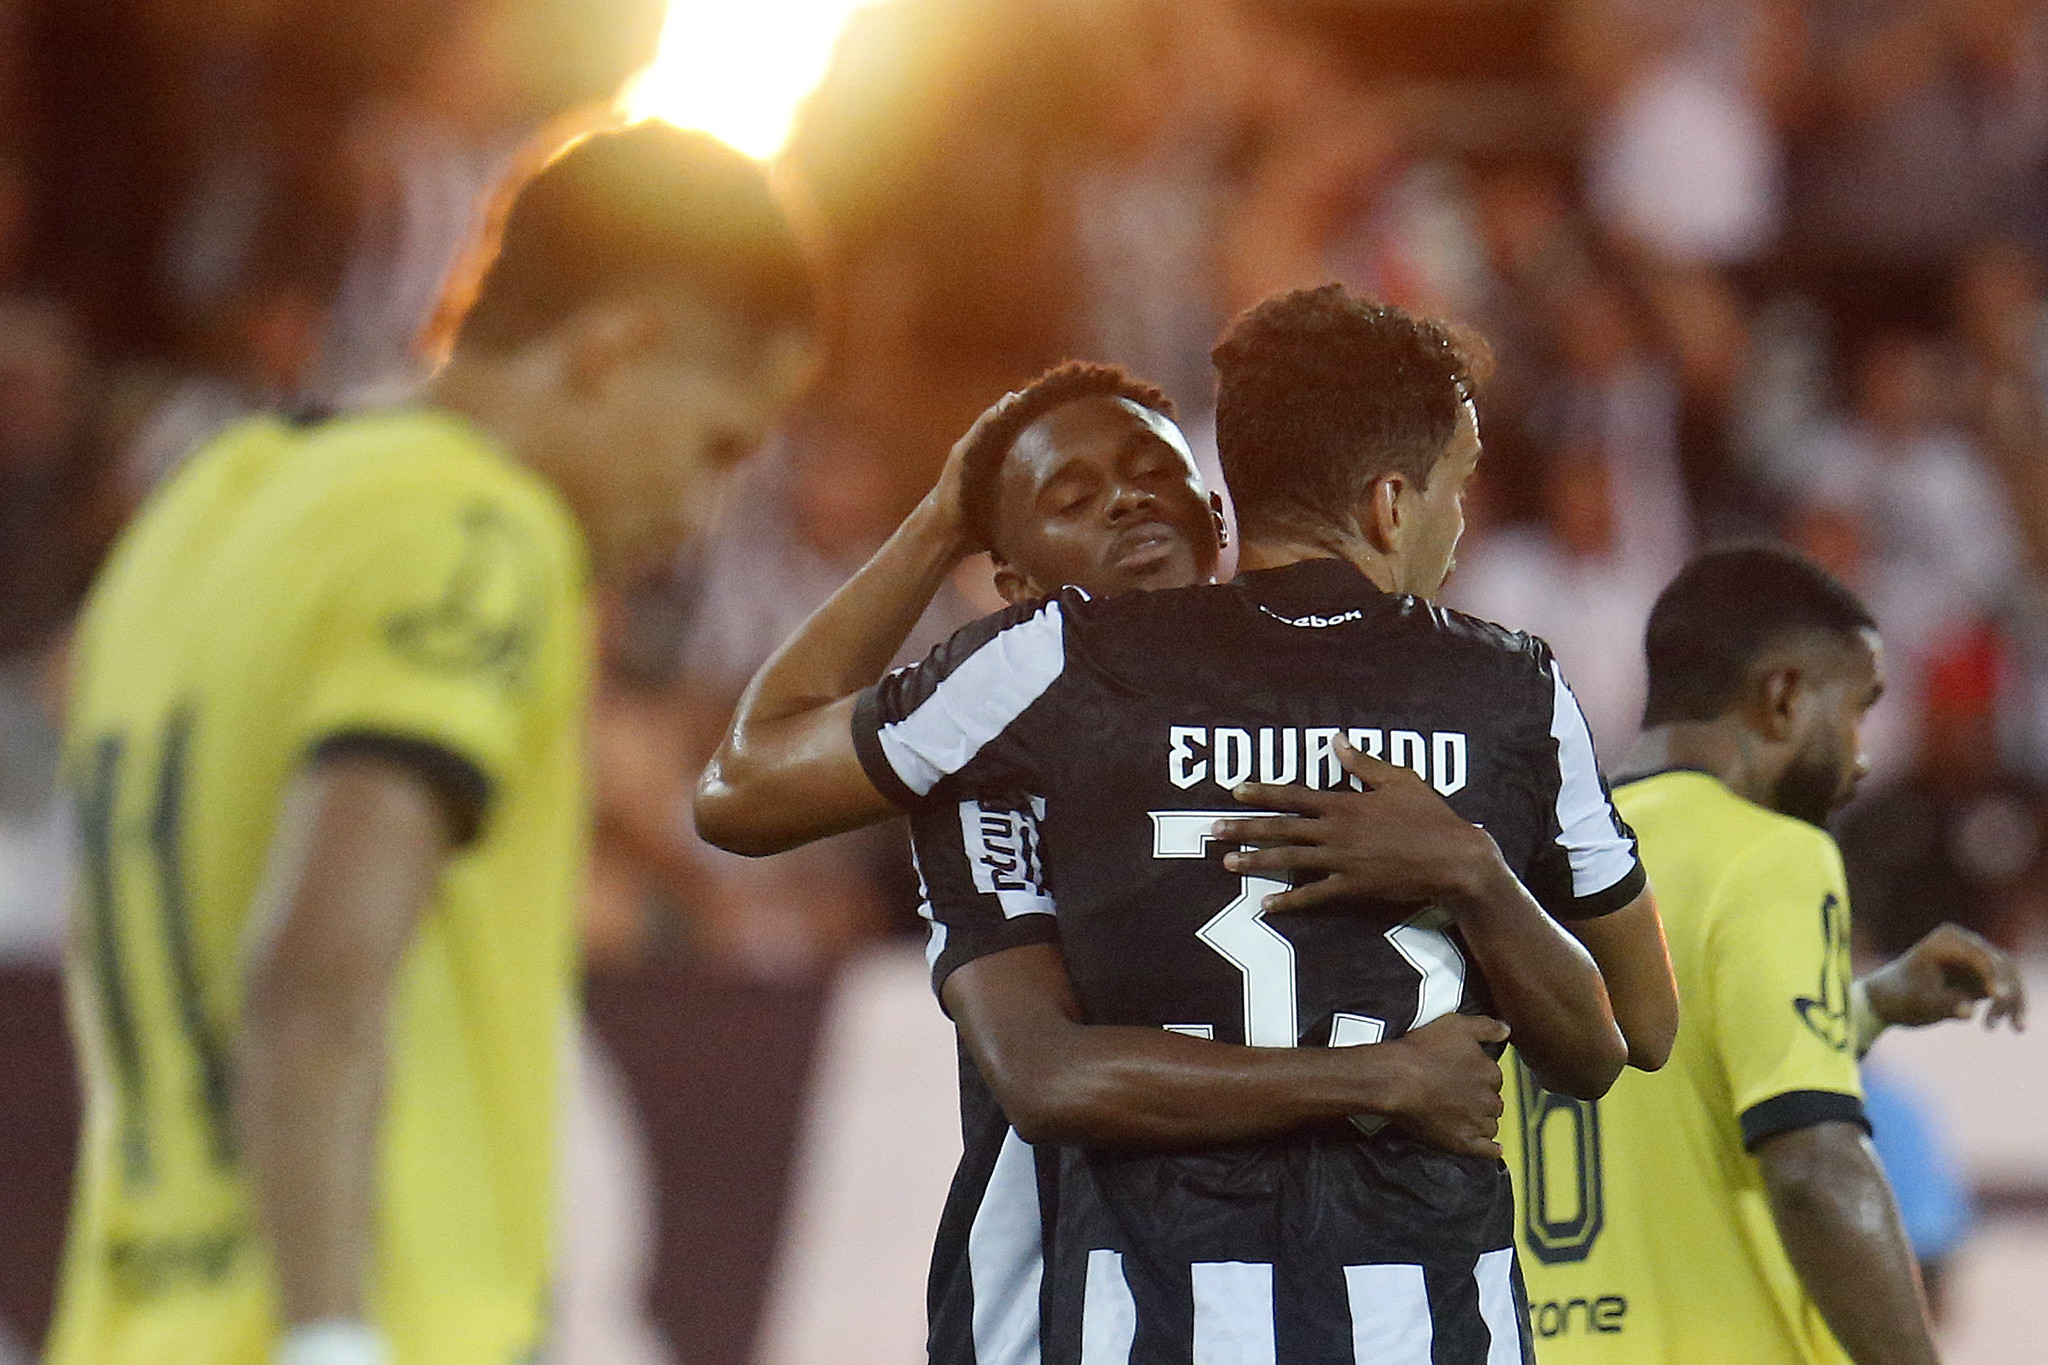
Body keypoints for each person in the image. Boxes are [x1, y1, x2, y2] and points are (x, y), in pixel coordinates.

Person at [703, 286, 1670, 1361]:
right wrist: (941, 516)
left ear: (1219, 515)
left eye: (1152, 476)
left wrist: (1472, 875)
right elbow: (1045, 1074)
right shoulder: (1005, 719)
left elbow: (1620, 1038)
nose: (1125, 505)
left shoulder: (1083, 678)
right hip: (1071, 1291)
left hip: (1222, 1290)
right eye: (1073, 496)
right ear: (1010, 579)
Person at [46, 119, 816, 1365]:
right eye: (718, 442)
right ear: (619, 348)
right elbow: (316, 979)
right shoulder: (482, 536)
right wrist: (333, 1340)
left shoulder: (203, 508)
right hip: (387, 1322)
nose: (700, 507)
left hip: (134, 1323)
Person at [1505, 546, 2027, 1365]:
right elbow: (1814, 1169)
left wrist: (1872, 1003)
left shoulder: (1529, 867)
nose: (1860, 755)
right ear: (1782, 698)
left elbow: (1671, 1088)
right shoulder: (1771, 854)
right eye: (1857, 709)